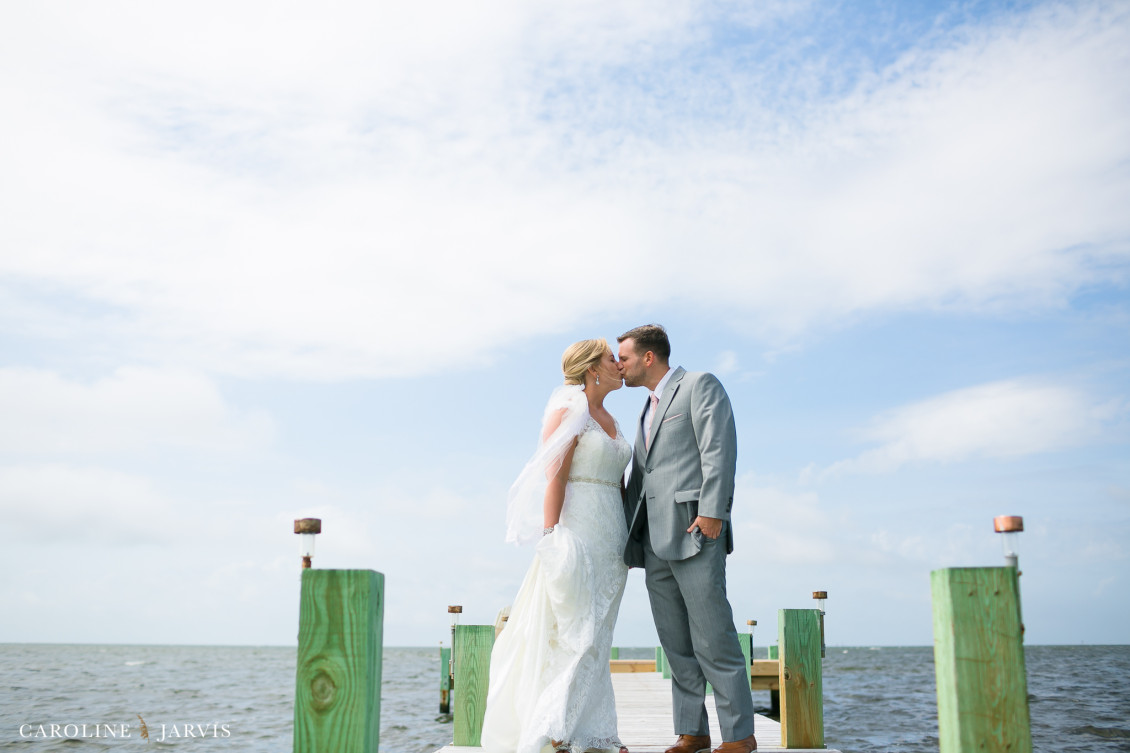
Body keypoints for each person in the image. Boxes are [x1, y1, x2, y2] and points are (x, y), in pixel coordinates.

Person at [481, 338, 632, 753]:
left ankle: (594, 730)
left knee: (600, 631)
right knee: (575, 630)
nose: (618, 363)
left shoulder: (612, 419)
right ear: (591, 369)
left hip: (612, 535)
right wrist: (550, 538)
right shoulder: (570, 411)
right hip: (578, 529)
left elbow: (620, 485)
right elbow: (555, 478)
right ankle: (554, 728)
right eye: (609, 358)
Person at [617, 324, 757, 753]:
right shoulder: (645, 409)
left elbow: (719, 448)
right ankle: (692, 732)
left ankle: (740, 735)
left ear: (647, 357)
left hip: (696, 530)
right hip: (653, 541)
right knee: (675, 642)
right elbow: (643, 476)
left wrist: (714, 511)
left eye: (623, 357)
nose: (617, 365)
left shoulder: (699, 385)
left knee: (714, 637)